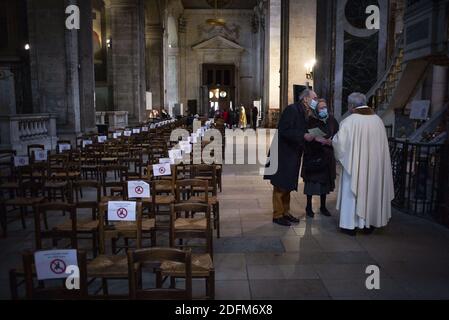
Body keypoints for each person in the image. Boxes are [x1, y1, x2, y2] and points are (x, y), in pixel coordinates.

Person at [330, 92, 394, 236]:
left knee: (351, 193)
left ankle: (349, 226)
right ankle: (368, 224)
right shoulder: (378, 120)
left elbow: (340, 143)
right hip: (374, 168)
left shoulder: (349, 121)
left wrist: (333, 140)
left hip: (355, 167)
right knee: (371, 192)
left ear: (352, 105)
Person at [264, 89, 318, 226]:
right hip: (283, 153)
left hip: (292, 153)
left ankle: (285, 212)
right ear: (306, 99)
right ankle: (277, 214)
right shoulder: (292, 109)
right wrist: (303, 135)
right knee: (280, 185)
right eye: (315, 98)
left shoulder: (304, 111)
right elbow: (284, 129)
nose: (316, 101)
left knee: (287, 184)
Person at [301, 99, 339, 218]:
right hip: (313, 154)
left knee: (324, 183)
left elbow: (338, 134)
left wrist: (331, 141)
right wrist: (314, 139)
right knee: (311, 183)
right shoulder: (310, 120)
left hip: (327, 155)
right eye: (320, 108)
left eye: (325, 107)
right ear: (316, 110)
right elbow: (304, 135)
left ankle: (323, 206)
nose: (323, 110)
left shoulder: (332, 120)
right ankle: (308, 206)